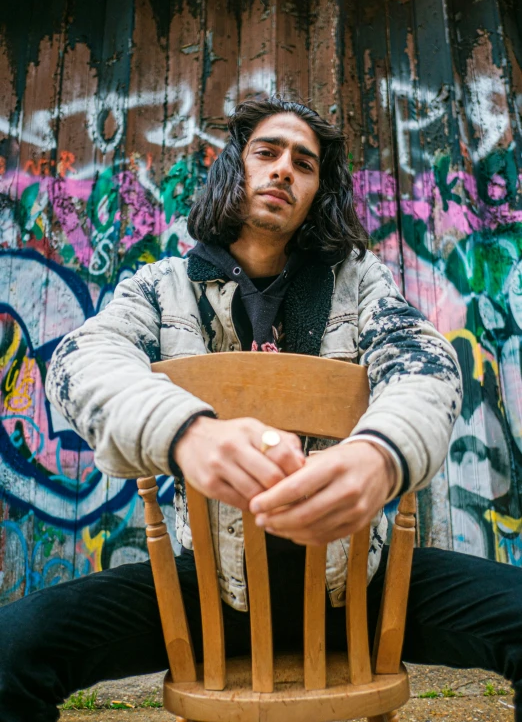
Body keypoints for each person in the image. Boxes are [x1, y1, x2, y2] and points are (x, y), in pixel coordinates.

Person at [1, 97, 521, 722]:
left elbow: (425, 363)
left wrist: (381, 455)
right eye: (267, 153)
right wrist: (186, 432)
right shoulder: (161, 285)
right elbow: (82, 360)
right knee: (9, 652)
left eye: (304, 164)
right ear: (234, 169)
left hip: (359, 584)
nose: (282, 171)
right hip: (208, 589)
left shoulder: (360, 282)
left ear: (316, 192)